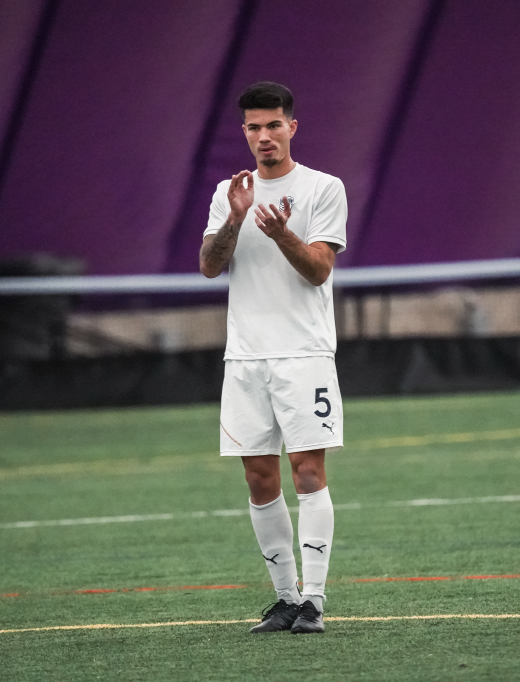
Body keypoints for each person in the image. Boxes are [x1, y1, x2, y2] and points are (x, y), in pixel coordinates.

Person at [199, 82, 347, 634]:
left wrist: (283, 233)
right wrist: (237, 218)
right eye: (253, 128)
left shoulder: (323, 188)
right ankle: (283, 598)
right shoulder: (228, 192)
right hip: (245, 358)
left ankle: (314, 599)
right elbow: (211, 266)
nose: (264, 136)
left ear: (292, 127)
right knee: (260, 477)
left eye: (273, 125)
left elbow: (318, 269)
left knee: (308, 472)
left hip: (303, 354)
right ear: (244, 133)